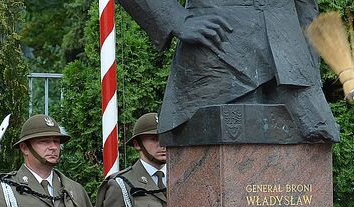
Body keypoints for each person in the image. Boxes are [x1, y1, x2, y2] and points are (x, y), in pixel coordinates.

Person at [116, 0, 339, 142]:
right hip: (219, 47)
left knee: (319, 131)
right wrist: (176, 19)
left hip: (289, 55)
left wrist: (309, 67)